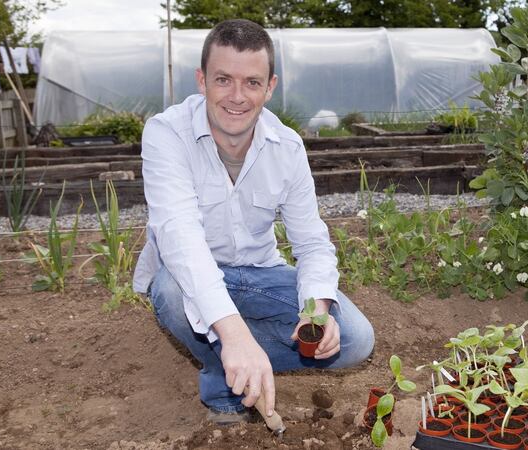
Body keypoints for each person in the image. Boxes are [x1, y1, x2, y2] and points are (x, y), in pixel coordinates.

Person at [132, 19, 375, 425]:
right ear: (202, 80)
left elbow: (312, 243)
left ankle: (231, 363)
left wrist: (316, 310)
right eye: (223, 79)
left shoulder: (287, 147)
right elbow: (179, 237)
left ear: (270, 87)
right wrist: (234, 334)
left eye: (252, 82)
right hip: (188, 277)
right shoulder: (167, 134)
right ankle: (228, 366)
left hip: (259, 273)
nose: (237, 96)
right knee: (173, 291)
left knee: (353, 338)